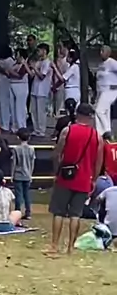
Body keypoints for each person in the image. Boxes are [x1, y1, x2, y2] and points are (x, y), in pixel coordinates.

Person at [47, 102, 103, 255]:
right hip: (84, 178)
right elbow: (98, 162)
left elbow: (57, 153)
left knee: (59, 212)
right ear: (90, 117)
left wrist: (57, 171)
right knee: (76, 214)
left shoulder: (68, 131)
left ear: (77, 114)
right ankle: (71, 247)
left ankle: (54, 245)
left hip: (66, 176)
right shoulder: (96, 136)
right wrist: (93, 179)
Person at [11, 128, 35, 220]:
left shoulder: (16, 149)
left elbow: (14, 163)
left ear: (18, 137)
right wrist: (30, 174)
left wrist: (12, 175)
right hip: (27, 174)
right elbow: (32, 163)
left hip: (18, 174)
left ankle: (17, 211)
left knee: (19, 194)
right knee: (26, 194)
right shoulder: (32, 149)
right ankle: (28, 212)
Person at [29, 43, 52, 137]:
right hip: (34, 89)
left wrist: (34, 68)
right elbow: (32, 74)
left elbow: (42, 76)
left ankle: (42, 130)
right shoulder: (38, 61)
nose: (38, 52)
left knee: (41, 111)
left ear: (44, 51)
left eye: (39, 50)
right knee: (34, 110)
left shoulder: (47, 62)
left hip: (43, 90)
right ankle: (36, 129)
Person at [95, 45, 117, 135]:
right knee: (105, 112)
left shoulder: (112, 63)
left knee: (99, 110)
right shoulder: (101, 64)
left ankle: (106, 131)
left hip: (110, 90)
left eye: (102, 51)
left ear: (108, 53)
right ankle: (101, 133)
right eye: (100, 51)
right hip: (101, 91)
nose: (100, 53)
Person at [9, 48, 31, 131]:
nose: (16, 57)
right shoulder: (14, 64)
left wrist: (11, 72)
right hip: (12, 84)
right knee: (13, 107)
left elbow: (20, 75)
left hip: (21, 86)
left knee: (20, 107)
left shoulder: (24, 65)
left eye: (17, 55)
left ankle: (21, 125)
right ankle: (14, 125)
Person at [0, 45, 15, 132]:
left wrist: (1, 69)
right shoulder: (1, 60)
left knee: (4, 103)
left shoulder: (10, 60)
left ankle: (5, 124)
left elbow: (9, 72)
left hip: (5, 83)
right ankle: (0, 123)